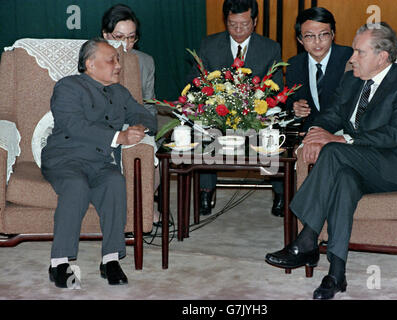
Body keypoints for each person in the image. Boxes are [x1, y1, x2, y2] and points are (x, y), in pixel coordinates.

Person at [265, 22, 397, 300]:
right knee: (343, 181)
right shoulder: (352, 78)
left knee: (334, 151)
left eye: (359, 52)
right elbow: (333, 114)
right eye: (353, 51)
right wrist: (317, 132)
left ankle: (307, 239)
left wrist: (343, 140)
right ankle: (336, 275)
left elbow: (396, 134)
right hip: (357, 162)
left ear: (382, 57)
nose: (351, 58)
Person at [42, 38, 157, 288]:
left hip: (101, 161)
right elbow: (74, 125)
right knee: (76, 187)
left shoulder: (119, 92)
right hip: (65, 157)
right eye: (111, 60)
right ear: (90, 64)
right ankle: (59, 264)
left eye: (118, 60)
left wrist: (139, 127)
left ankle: (111, 260)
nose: (118, 65)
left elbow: (144, 115)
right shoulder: (68, 87)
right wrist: (119, 136)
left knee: (115, 182)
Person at [187, 0, 283, 216]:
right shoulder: (209, 45)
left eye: (244, 24)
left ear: (255, 21)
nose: (238, 30)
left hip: (256, 114)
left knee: (273, 131)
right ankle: (205, 189)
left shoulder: (270, 47)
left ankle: (279, 190)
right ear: (225, 21)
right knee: (203, 125)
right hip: (218, 113)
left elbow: (277, 90)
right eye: (232, 24)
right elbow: (195, 81)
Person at [270, 7, 353, 217]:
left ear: (333, 34)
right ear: (300, 39)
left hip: (342, 128)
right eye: (309, 36)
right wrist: (294, 107)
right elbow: (289, 100)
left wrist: (319, 133)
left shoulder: (349, 59)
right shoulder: (295, 64)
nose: (317, 42)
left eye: (323, 35)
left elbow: (350, 103)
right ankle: (290, 201)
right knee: (276, 140)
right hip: (307, 129)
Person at [102, 3, 174, 131]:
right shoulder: (92, 60)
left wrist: (146, 128)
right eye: (119, 37)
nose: (126, 43)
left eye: (131, 37)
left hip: (135, 126)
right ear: (105, 35)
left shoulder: (146, 62)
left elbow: (149, 105)